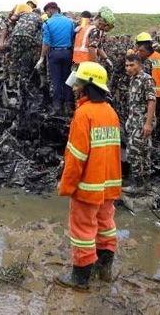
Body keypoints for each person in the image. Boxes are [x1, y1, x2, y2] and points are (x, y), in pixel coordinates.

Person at [56, 62, 121, 291]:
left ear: (88, 86)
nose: (75, 88)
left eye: (79, 83)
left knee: (82, 230)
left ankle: (80, 278)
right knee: (106, 225)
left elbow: (76, 158)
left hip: (87, 186)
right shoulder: (110, 112)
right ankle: (104, 270)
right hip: (108, 185)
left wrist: (67, 186)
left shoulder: (83, 114)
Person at [122, 54, 156, 195]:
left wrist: (148, 124)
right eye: (127, 65)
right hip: (134, 122)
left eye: (132, 65)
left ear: (139, 65)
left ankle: (138, 184)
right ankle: (146, 183)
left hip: (142, 122)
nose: (129, 68)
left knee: (134, 153)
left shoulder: (146, 79)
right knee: (143, 152)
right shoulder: (132, 80)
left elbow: (152, 101)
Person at [38, 2, 75, 114]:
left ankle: (57, 107)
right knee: (67, 80)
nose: (46, 14)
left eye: (46, 12)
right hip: (68, 53)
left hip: (54, 54)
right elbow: (72, 38)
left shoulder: (47, 23)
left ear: (50, 10)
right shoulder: (69, 22)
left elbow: (46, 43)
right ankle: (68, 106)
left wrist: (41, 57)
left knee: (56, 80)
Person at [136, 34, 160, 141]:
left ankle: (152, 136)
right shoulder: (159, 56)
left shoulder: (146, 60)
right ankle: (159, 134)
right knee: (159, 114)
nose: (139, 52)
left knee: (150, 115)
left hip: (150, 92)